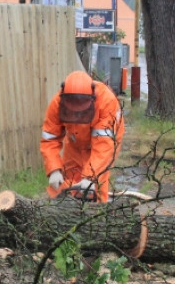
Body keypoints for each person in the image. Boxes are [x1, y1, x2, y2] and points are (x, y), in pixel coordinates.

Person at [40, 70, 125, 202]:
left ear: (92, 96)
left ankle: (97, 214)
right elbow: (49, 139)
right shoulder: (57, 103)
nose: (77, 115)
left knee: (96, 184)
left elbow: (103, 147)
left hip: (105, 142)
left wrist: (90, 178)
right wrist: (54, 169)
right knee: (70, 179)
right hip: (75, 142)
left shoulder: (106, 102)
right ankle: (69, 211)